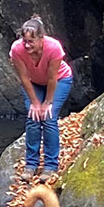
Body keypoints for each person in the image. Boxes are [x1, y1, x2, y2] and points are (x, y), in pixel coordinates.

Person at [9, 15, 73, 183]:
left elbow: (52, 79)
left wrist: (47, 103)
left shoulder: (54, 48)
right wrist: (35, 103)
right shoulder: (17, 49)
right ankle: (31, 164)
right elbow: (23, 78)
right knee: (33, 117)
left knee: (48, 117)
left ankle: (51, 166)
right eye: (25, 41)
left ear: (41, 38)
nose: (27, 45)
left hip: (59, 80)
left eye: (31, 41)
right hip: (33, 83)